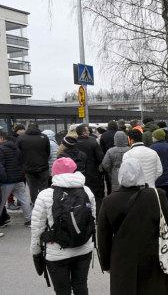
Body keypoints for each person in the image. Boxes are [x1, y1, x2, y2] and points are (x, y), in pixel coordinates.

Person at [97, 158, 168, 295]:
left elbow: (103, 237)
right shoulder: (157, 195)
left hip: (122, 257)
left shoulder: (109, 201)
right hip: (153, 254)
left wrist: (106, 263)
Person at [30, 158, 96, 295]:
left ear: (54, 174)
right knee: (81, 287)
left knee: (62, 291)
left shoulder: (45, 195)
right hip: (83, 249)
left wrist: (36, 253)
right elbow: (92, 220)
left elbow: (37, 229)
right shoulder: (87, 192)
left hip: (56, 253)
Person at [0, 132, 31, 227]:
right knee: (24, 200)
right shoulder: (16, 148)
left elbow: (1, 166)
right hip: (18, 178)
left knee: (1, 202)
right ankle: (29, 220)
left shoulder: (1, 149)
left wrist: (3, 179)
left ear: (1, 139)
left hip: (7, 181)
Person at [75, 124, 105, 215]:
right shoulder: (93, 142)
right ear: (84, 133)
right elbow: (100, 158)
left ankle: (84, 214)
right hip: (92, 172)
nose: (89, 132)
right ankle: (96, 215)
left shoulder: (73, 144)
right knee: (97, 194)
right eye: (88, 130)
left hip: (77, 173)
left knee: (81, 194)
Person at [17, 123, 50, 204]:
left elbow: (18, 153)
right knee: (43, 186)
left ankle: (35, 203)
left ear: (28, 128)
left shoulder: (21, 138)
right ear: (38, 127)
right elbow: (48, 152)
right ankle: (44, 203)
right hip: (43, 166)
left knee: (32, 187)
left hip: (28, 167)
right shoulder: (44, 137)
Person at [150, 129, 168, 220]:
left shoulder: (151, 148)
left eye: (153, 137)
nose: (152, 138)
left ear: (156, 138)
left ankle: (160, 221)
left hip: (157, 178)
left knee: (157, 200)